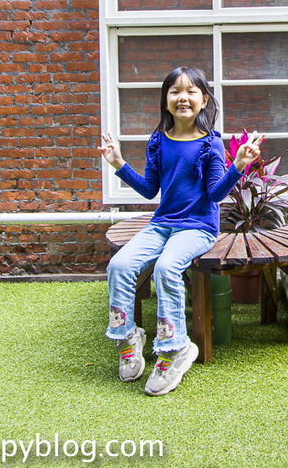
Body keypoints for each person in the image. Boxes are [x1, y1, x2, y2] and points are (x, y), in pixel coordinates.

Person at [99, 66, 263, 396]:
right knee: (118, 266)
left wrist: (238, 166)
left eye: (191, 91)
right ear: (166, 100)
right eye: (175, 91)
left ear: (204, 101)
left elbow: (216, 194)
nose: (182, 97)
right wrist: (118, 163)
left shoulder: (210, 144)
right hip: (162, 224)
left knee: (166, 268)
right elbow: (149, 190)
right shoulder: (159, 141)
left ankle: (176, 349)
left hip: (199, 226)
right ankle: (129, 338)